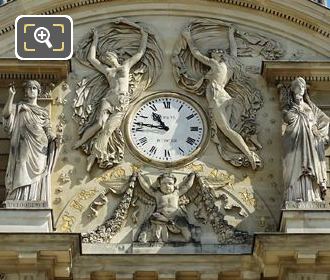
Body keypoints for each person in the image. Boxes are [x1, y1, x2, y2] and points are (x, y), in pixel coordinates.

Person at [182, 26, 260, 170]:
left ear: (219, 55)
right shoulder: (229, 64)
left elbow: (196, 53)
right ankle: (247, 152)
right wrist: (230, 34)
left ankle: (249, 154)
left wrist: (188, 38)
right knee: (228, 129)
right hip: (224, 96)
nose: (212, 54)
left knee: (226, 129)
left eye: (214, 52)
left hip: (217, 96)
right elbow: (234, 51)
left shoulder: (215, 64)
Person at [73, 24, 148, 171]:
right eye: (105, 58)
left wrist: (143, 35)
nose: (107, 58)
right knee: (100, 124)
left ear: (114, 56)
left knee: (108, 129)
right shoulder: (108, 71)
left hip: (121, 101)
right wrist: (95, 39)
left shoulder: (125, 66)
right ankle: (82, 140)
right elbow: (91, 58)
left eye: (108, 56)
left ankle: (94, 155)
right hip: (108, 98)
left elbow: (140, 53)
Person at [2, 81, 57, 203]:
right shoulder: (19, 106)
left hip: (40, 144)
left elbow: (48, 130)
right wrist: (11, 96)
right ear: (25, 92)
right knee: (21, 165)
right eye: (29, 88)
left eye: (34, 88)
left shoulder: (43, 112)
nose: (31, 90)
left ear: (38, 91)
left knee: (39, 170)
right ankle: (19, 197)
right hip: (24, 142)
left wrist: (53, 137)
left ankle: (34, 197)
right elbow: (6, 114)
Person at [282, 77, 329, 202]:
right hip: (295, 144)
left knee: (310, 168)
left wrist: (319, 135)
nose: (301, 89)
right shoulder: (289, 107)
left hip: (310, 144)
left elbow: (325, 120)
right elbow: (288, 118)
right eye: (298, 86)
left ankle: (313, 196)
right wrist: (296, 108)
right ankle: (294, 195)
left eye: (302, 87)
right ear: (293, 90)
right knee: (295, 168)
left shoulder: (311, 107)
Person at [137, 172, 196, 242]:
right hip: (161, 216)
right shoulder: (157, 194)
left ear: (174, 185)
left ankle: (178, 238)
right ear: (159, 185)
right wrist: (139, 176)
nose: (167, 186)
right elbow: (146, 187)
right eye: (164, 183)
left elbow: (187, 186)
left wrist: (192, 176)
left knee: (187, 233)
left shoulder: (176, 193)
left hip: (175, 217)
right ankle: (167, 223)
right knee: (154, 217)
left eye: (170, 183)